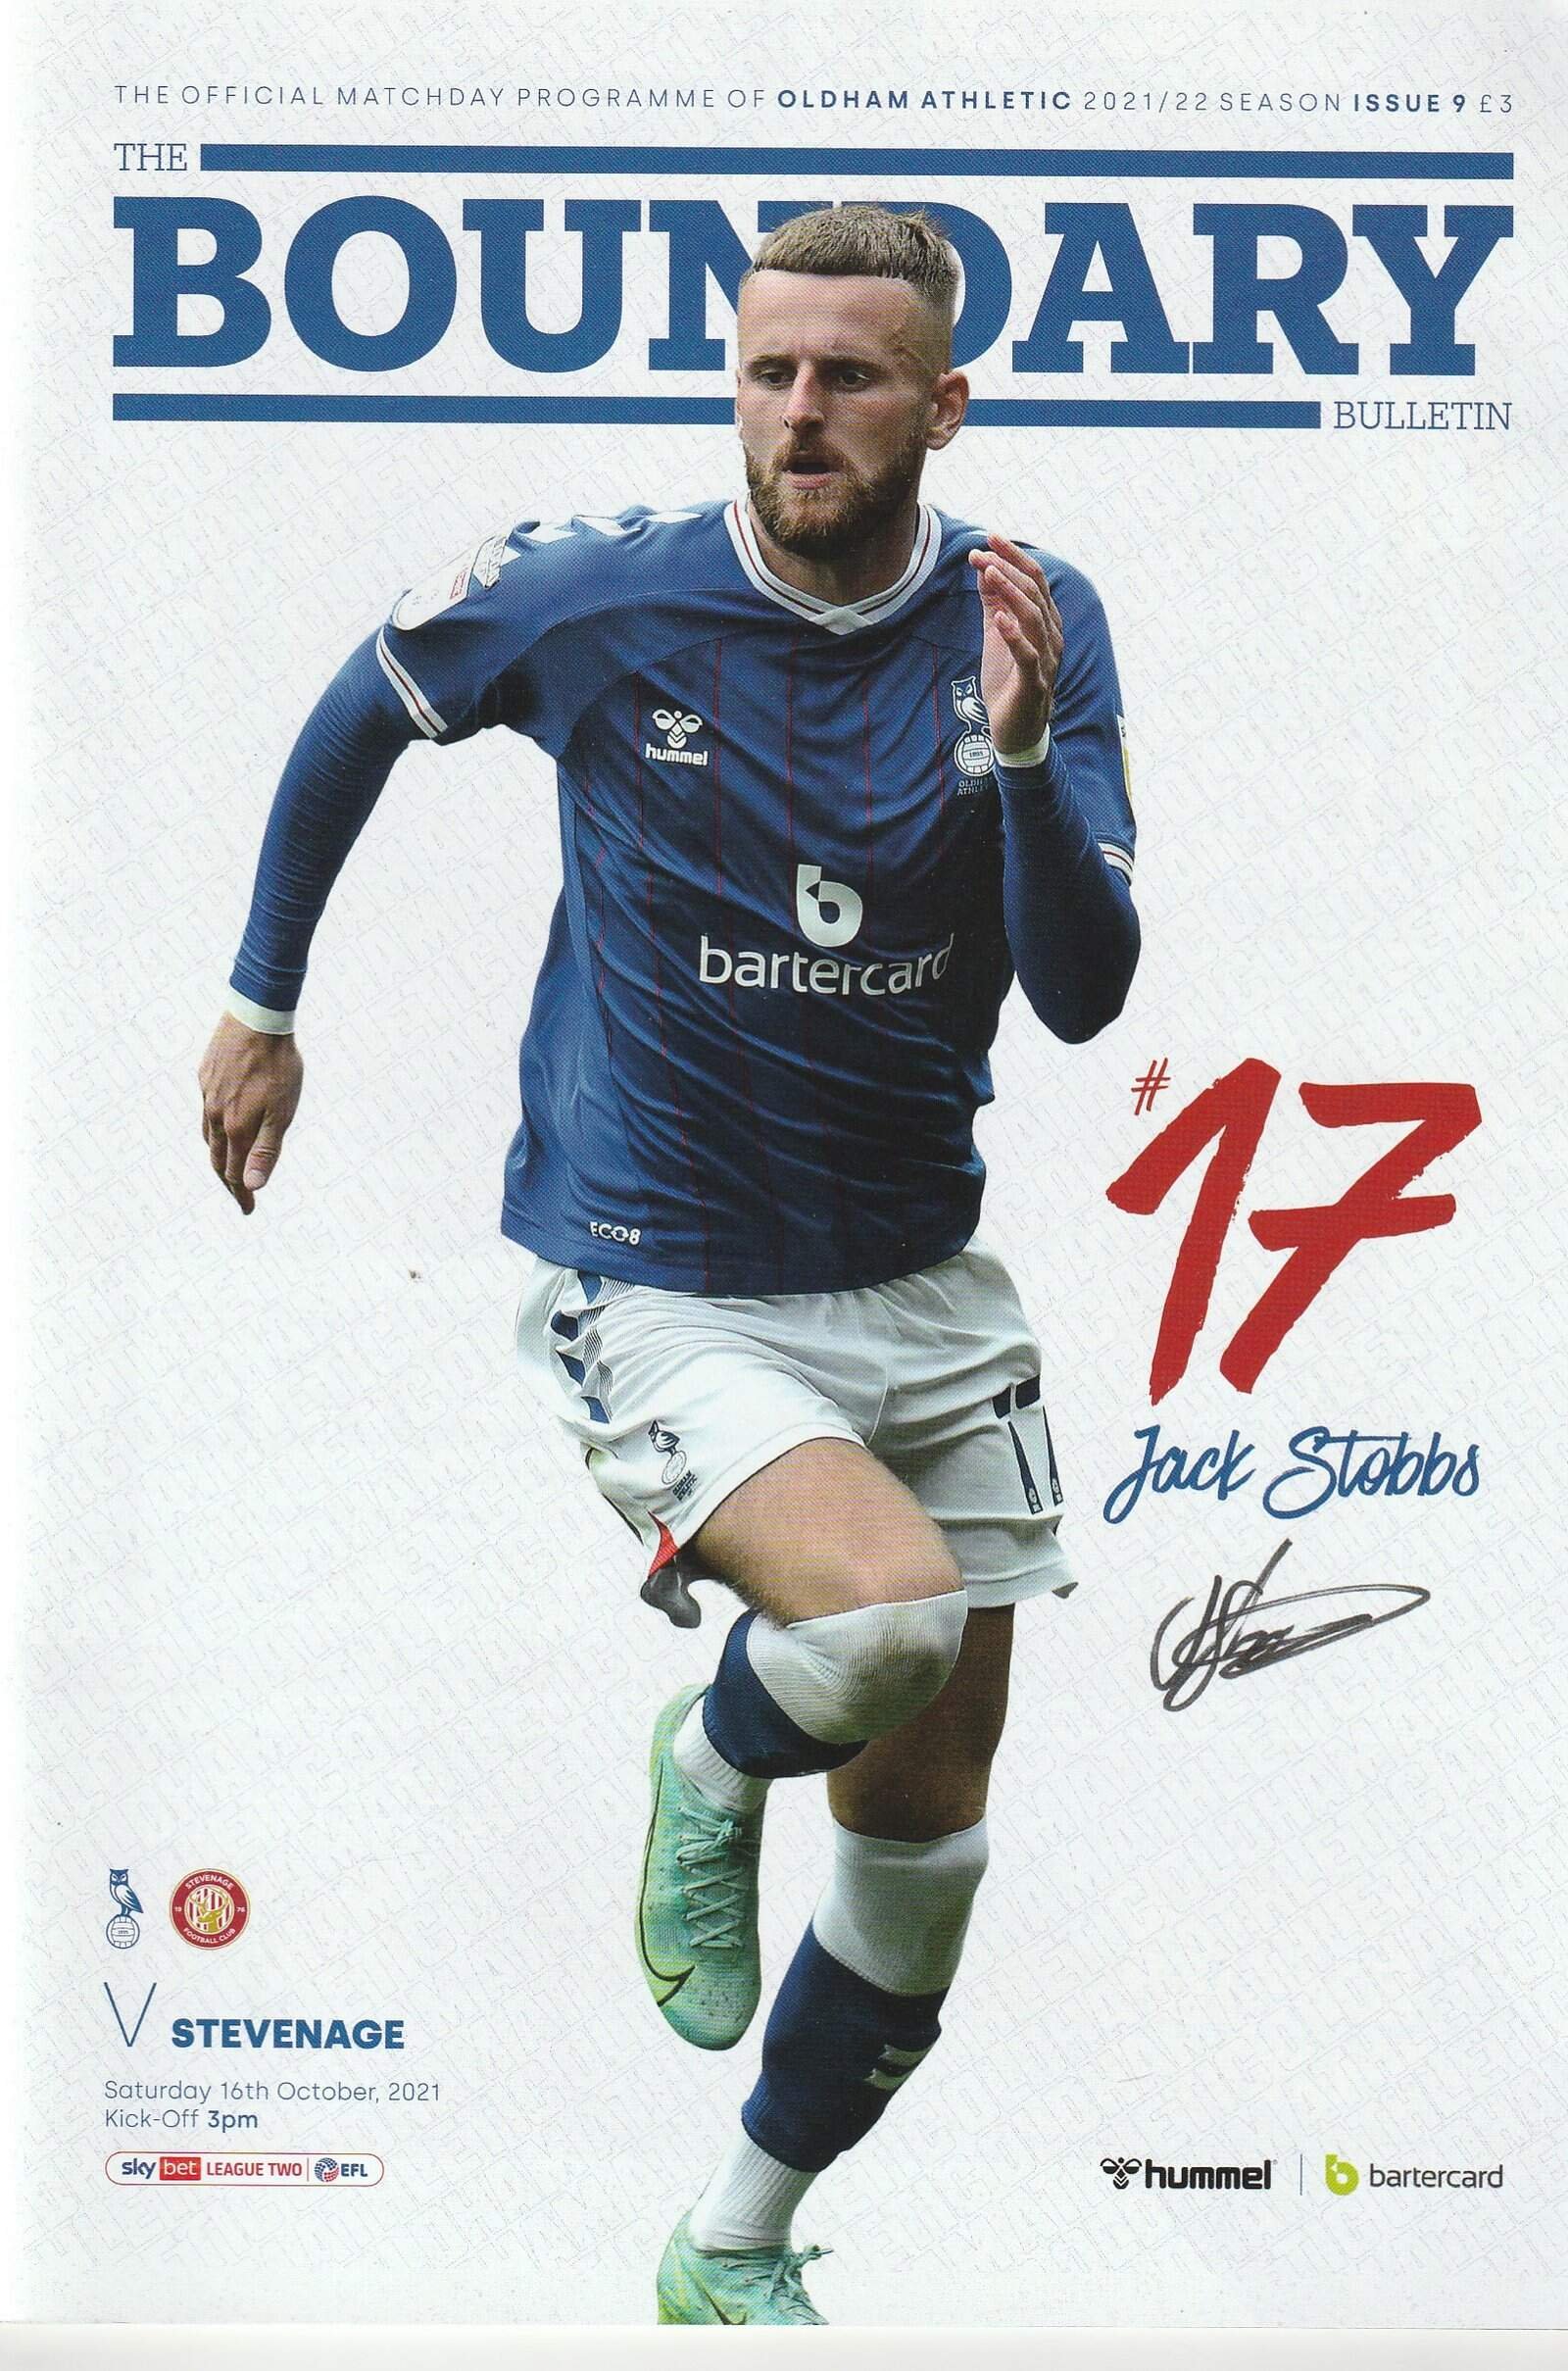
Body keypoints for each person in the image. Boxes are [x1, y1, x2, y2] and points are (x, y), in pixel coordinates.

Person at [198, 203, 1139, 2326]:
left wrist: (1015, 758)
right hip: (660, 1265)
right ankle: (708, 1762)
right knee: (876, 1622)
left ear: (941, 406)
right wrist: (263, 1000)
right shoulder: (601, 591)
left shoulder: (1031, 616)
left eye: (849, 377)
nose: (798, 413)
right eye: (767, 372)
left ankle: (731, 2245)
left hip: (923, 1277)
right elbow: (366, 703)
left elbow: (1085, 994)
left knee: (925, 1850)